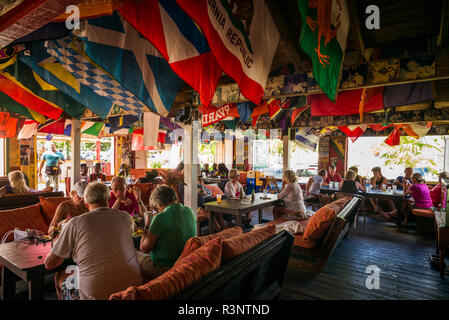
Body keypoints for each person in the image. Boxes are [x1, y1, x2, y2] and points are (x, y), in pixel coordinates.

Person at [44, 182, 142, 300]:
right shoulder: (126, 217)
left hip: (96, 294)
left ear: (86, 204)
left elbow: (50, 264)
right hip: (132, 288)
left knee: (60, 277)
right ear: (109, 198)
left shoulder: (75, 223)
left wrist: (56, 242)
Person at [139, 185, 196, 279]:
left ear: (158, 203)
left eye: (156, 208)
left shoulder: (160, 218)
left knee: (136, 258)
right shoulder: (189, 211)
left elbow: (144, 249)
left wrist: (147, 226)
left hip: (165, 268)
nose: (157, 210)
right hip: (185, 261)